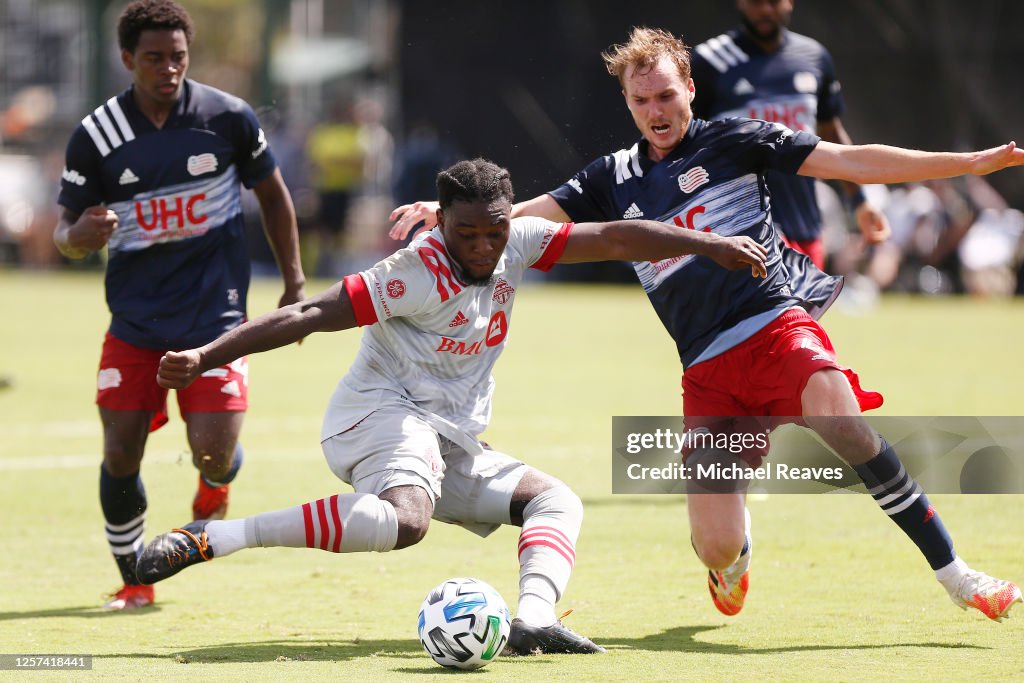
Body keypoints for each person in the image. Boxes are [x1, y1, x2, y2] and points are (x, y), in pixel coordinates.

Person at [388, 27, 1023, 622]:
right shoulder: (612, 177)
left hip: (776, 326)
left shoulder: (736, 140)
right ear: (628, 102)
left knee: (841, 417)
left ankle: (958, 575)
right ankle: (734, 557)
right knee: (716, 547)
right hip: (708, 372)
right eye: (641, 100)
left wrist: (965, 165)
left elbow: (852, 161)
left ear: (689, 87)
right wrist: (448, 219)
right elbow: (523, 218)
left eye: (666, 95)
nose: (656, 111)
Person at [135, 158, 768, 655]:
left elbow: (610, 237)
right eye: (467, 233)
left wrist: (704, 243)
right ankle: (215, 537)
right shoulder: (411, 270)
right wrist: (205, 357)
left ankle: (534, 622)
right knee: (406, 521)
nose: (484, 246)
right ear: (440, 222)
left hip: (445, 437)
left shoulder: (516, 241)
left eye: (494, 232)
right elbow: (306, 313)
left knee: (556, 501)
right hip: (375, 415)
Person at [53, 0, 306, 611]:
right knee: (120, 451)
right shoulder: (97, 135)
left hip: (215, 323)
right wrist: (78, 238)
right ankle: (136, 578)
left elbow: (273, 197)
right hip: (135, 325)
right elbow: (66, 231)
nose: (168, 69)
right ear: (126, 60)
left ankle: (213, 487)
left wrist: (294, 281)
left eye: (178, 58)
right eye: (153, 58)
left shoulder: (228, 118)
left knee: (215, 453)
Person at [688, 0, 890, 270]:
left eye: (774, 1)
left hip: (805, 225)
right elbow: (685, 144)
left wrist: (859, 200)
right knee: (771, 313)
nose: (766, 10)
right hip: (742, 231)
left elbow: (830, 133)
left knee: (806, 313)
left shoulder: (813, 57)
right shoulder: (709, 62)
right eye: (757, 2)